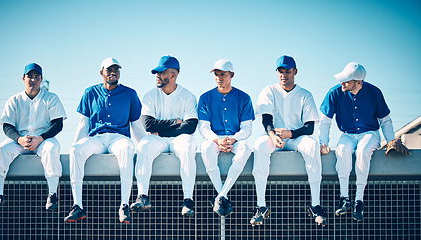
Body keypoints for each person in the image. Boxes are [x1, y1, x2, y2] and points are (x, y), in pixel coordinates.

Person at [319, 62, 408, 222]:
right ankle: (344, 198)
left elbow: (385, 120)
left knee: (362, 151)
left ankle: (358, 201)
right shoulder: (335, 92)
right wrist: (323, 142)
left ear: (359, 82)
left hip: (370, 133)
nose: (342, 83)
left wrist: (390, 141)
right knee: (342, 150)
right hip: (348, 134)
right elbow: (325, 121)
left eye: (347, 80)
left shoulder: (374, 92)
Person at [64, 57, 145, 224]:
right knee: (76, 150)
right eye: (109, 69)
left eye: (116, 69)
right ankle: (77, 206)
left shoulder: (130, 93)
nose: (113, 72)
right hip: (96, 138)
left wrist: (146, 145)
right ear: (101, 72)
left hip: (119, 138)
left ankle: (124, 205)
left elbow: (136, 125)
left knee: (126, 149)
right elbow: (83, 124)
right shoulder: (90, 92)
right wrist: (74, 145)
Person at [252, 55, 327, 226]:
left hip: (296, 138)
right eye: (280, 71)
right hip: (274, 138)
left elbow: (309, 128)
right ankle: (261, 206)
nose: (284, 74)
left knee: (312, 145)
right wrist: (273, 135)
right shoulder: (268, 91)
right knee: (259, 145)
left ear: (295, 72)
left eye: (287, 71)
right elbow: (266, 120)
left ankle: (315, 205)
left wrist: (290, 134)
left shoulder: (305, 94)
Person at [0, 63, 67, 212]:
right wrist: (19, 139)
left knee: (52, 149)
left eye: (37, 77)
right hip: (20, 140)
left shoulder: (51, 97)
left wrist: (41, 138)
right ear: (23, 78)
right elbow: (7, 126)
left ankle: (52, 195)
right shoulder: (14, 100)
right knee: (1, 149)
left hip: (44, 140)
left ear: (41, 79)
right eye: (30, 76)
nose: (33, 80)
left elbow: (58, 124)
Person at [132, 56, 198, 217]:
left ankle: (188, 200)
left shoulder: (188, 96)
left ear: (173, 75)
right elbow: (147, 124)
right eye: (157, 72)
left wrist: (161, 129)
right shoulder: (150, 95)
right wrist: (175, 122)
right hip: (157, 139)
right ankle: (142, 196)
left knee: (189, 144)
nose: (158, 76)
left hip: (178, 138)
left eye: (162, 72)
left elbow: (190, 127)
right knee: (144, 145)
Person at [198, 59, 254, 217]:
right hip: (215, 139)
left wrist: (234, 139)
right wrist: (218, 140)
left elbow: (247, 128)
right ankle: (223, 195)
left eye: (223, 74)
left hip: (235, 139)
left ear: (232, 75)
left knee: (247, 147)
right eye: (216, 74)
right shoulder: (205, 98)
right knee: (205, 147)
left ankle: (220, 196)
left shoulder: (244, 97)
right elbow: (204, 128)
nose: (219, 77)